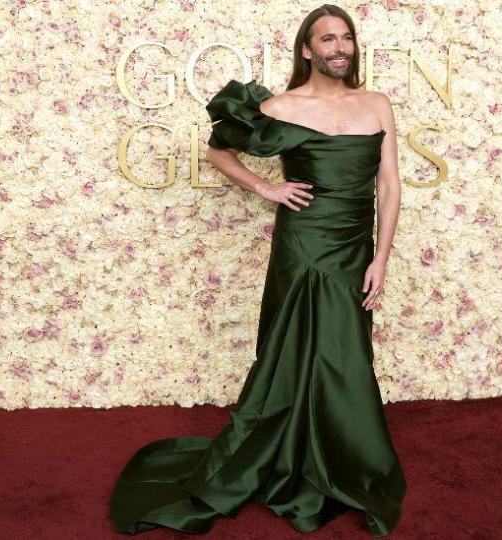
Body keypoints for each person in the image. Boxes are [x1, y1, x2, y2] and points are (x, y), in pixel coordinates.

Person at [108, 5, 405, 536]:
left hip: (355, 248)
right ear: (307, 50)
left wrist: (382, 256)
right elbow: (219, 149)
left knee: (346, 351)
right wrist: (268, 188)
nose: (339, 47)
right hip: (304, 245)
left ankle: (343, 459)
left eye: (346, 38)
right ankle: (286, 457)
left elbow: (389, 186)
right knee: (292, 351)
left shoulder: (376, 104)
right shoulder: (282, 105)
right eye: (326, 39)